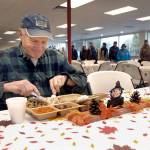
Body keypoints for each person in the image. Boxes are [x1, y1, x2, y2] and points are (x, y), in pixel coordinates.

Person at [0, 14, 87, 110]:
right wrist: (6, 86)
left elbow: (82, 79)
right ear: (21, 35)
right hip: (16, 120)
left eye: (44, 42)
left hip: (54, 118)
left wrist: (66, 79)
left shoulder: (56, 56)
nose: (39, 47)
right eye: (34, 41)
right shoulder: (4, 58)